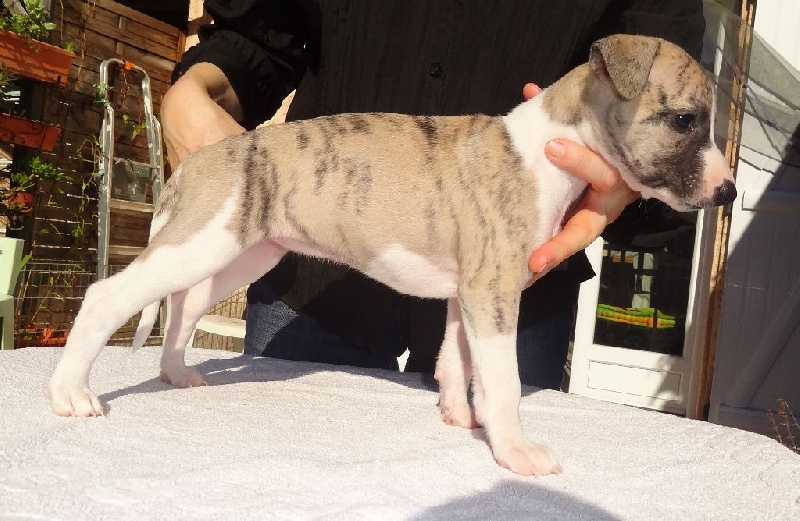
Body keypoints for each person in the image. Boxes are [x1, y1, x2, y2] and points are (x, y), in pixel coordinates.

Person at [162, 0, 705, 389]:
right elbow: (264, 30)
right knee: (273, 484)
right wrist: (197, 89)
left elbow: (664, 73)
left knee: (488, 494)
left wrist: (629, 184)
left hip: (518, 283)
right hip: (315, 273)